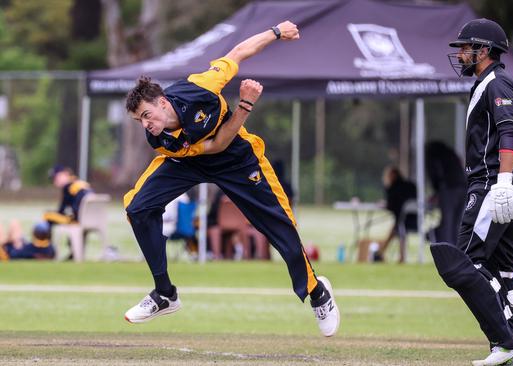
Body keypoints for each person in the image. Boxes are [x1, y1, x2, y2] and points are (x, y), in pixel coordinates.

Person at [121, 21, 339, 337]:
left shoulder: (200, 87)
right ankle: (164, 294)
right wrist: (246, 104)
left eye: (146, 115)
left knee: (278, 223)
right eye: (139, 120)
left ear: (163, 102)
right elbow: (211, 146)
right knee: (137, 208)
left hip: (237, 158)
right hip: (195, 158)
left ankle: (317, 291)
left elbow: (238, 52)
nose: (145, 124)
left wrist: (276, 32)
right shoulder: (158, 139)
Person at [430, 19, 513, 366]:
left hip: (492, 182)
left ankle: (508, 337)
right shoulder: (496, 82)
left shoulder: (496, 82)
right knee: (504, 268)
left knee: (466, 262)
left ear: (484, 50)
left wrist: (505, 183)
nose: (460, 54)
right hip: (506, 181)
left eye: (465, 47)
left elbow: (508, 135)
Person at [43, 165, 93, 260]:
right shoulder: (83, 184)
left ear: (65, 174)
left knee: (47, 215)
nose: (55, 181)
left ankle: (45, 251)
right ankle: (74, 252)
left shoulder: (69, 187)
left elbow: (61, 210)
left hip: (78, 220)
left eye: (56, 177)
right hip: (91, 219)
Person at [425, 140, 467, 245]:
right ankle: (457, 249)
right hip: (463, 187)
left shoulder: (432, 154)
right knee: (457, 223)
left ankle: (448, 249)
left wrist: (437, 191)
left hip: (449, 188)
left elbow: (436, 173)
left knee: (447, 222)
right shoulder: (450, 153)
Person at [375, 165, 417, 263]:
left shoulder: (394, 188)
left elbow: (392, 205)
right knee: (397, 230)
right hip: (415, 218)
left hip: (404, 220)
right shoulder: (409, 185)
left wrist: (385, 205)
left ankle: (380, 254)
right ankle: (381, 253)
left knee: (397, 230)